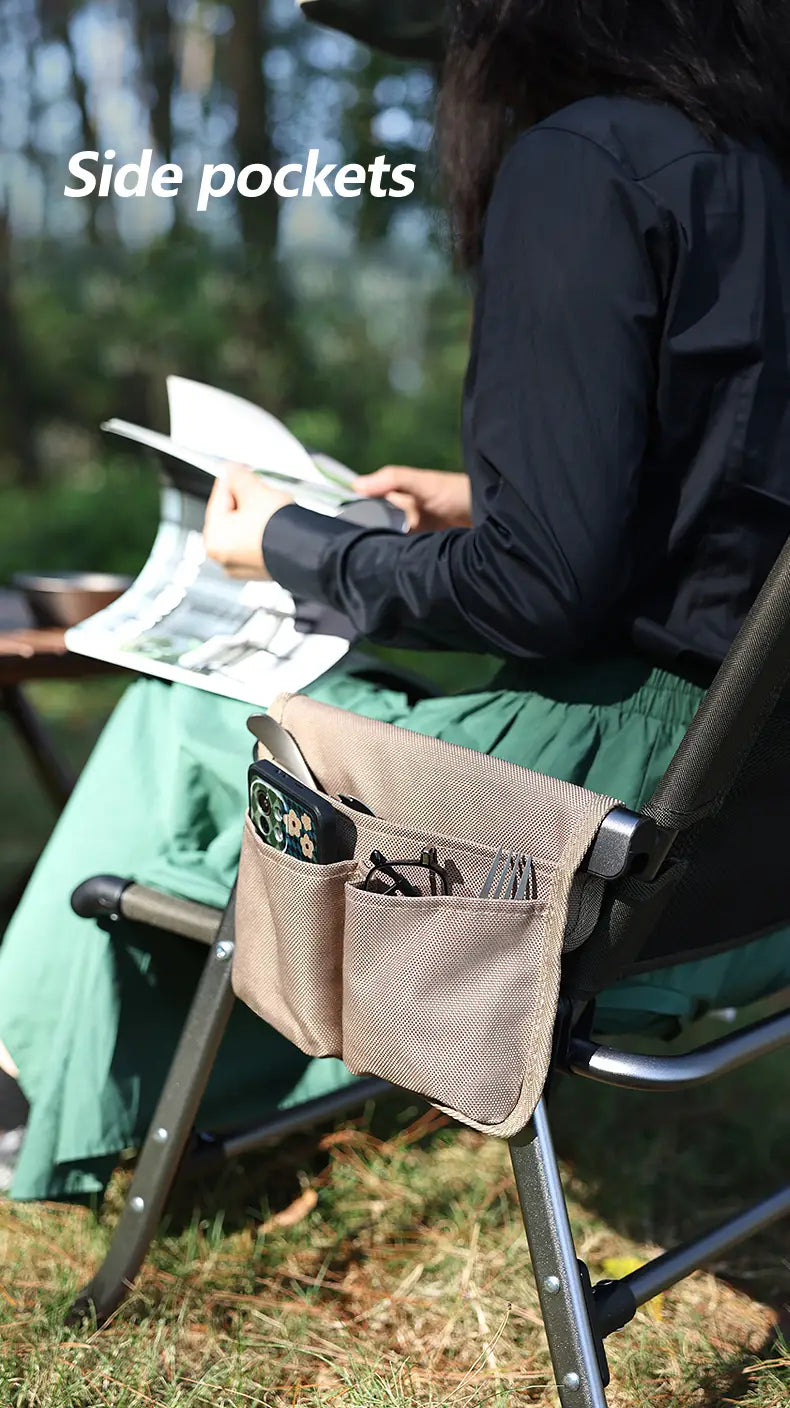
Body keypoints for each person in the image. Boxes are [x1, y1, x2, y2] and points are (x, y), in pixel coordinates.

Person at [4, 0, 790, 1200]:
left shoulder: (586, 164)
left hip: (612, 821)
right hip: (751, 826)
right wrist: (485, 496)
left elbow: (539, 598)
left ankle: (26, 1094)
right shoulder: (758, 172)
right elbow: (736, 498)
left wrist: (292, 541)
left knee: (184, 719)